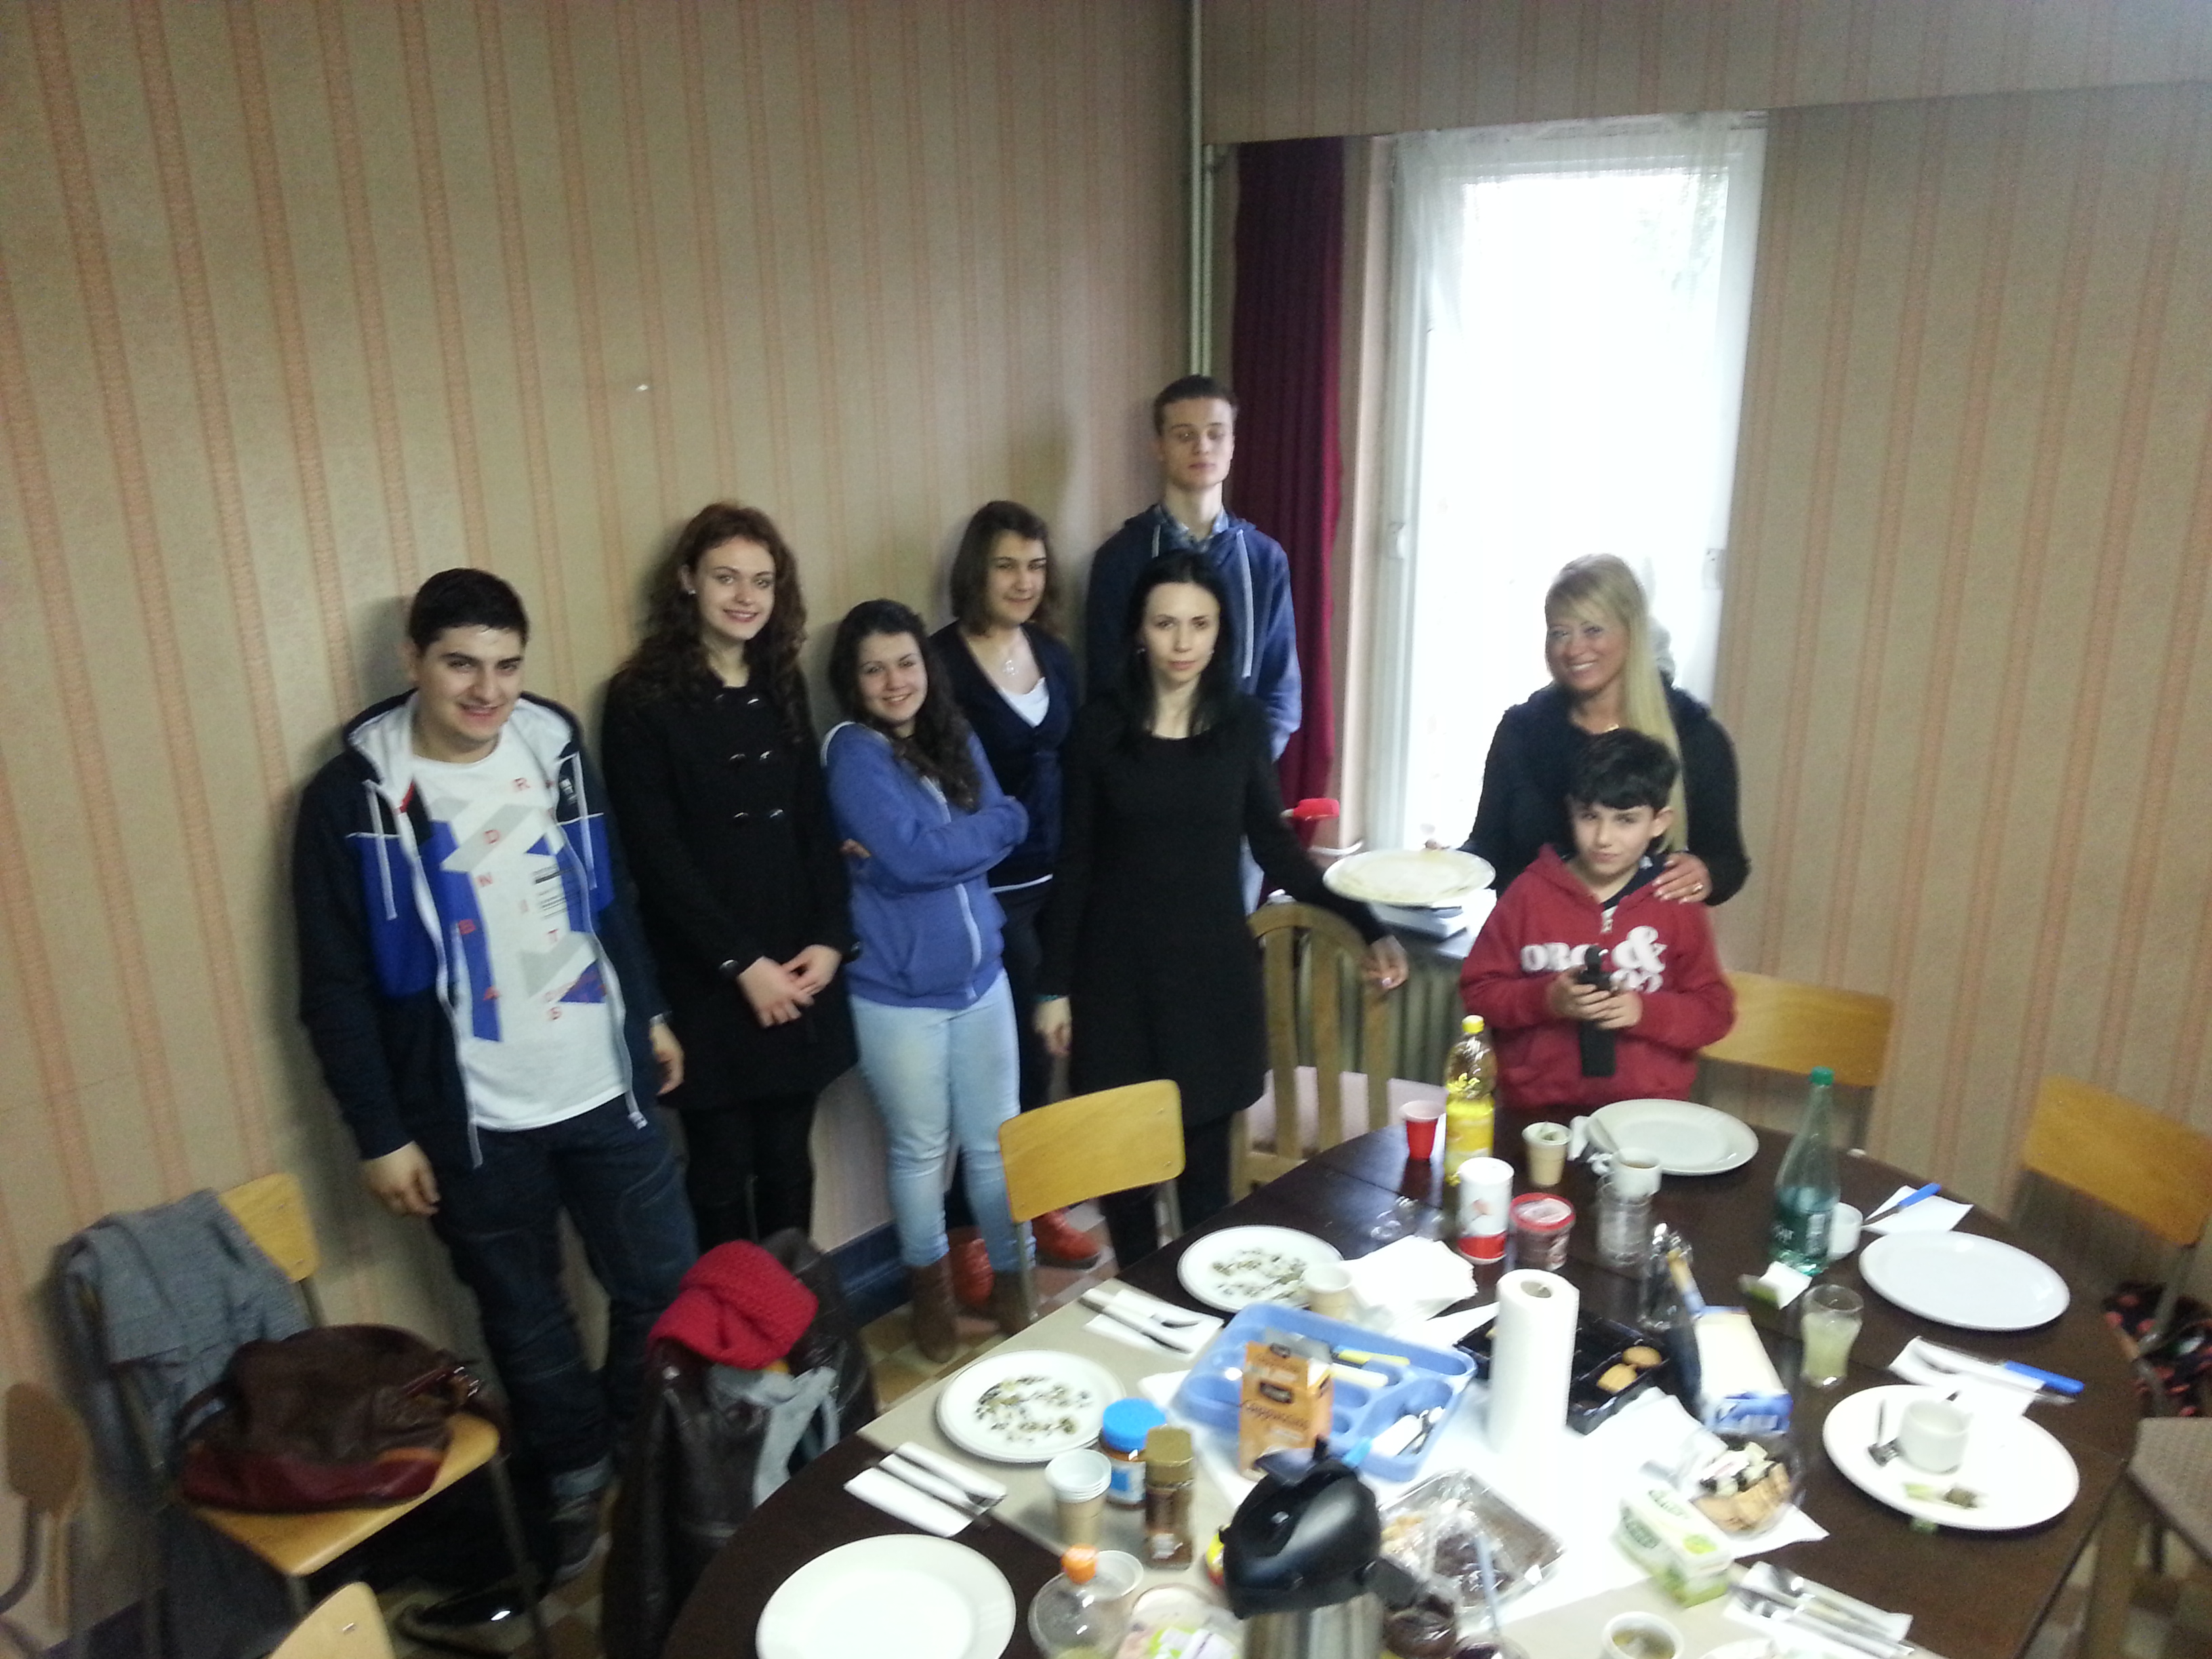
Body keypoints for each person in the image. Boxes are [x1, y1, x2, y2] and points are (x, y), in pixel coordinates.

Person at [292, 569, 696, 1586]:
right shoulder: (353, 796)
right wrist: (381, 1133)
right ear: (413, 662)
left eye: (507, 665)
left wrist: (647, 1011)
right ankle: (575, 1477)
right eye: (461, 665)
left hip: (601, 1083)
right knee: (523, 1314)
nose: (488, 691)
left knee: (659, 1281)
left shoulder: (554, 747)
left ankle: (634, 1445)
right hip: (470, 1114)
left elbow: (612, 896)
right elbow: (334, 984)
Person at [1040, 553, 1407, 1269]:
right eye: (1166, 624)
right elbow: (1075, 859)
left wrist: (1368, 926)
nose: (1183, 642)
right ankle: (1143, 1292)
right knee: (1127, 1183)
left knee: (1207, 1188)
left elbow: (1278, 848)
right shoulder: (1099, 726)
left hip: (1210, 981)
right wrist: (1053, 987)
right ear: (1139, 631)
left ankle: (1204, 1312)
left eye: (1200, 624)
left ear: (1220, 632)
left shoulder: (1240, 723)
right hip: (1117, 983)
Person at [602, 504, 857, 1250]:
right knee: (719, 1167)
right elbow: (655, 856)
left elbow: (815, 824)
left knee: (788, 1160)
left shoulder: (781, 682)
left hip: (796, 957)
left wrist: (831, 938)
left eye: (762, 581)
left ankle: (795, 1315)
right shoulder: (641, 698)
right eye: (726, 578)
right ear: (687, 581)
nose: (746, 597)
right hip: (707, 975)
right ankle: (734, 1324)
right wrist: (742, 965)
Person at [823, 600, 1031, 1360]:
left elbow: (1011, 822)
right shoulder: (853, 753)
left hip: (983, 979)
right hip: (898, 995)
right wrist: (955, 844)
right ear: (853, 682)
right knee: (921, 1152)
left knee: (998, 1144)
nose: (894, 681)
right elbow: (916, 858)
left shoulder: (950, 731)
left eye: (906, 662)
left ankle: (1015, 1285)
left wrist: (932, 850)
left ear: (926, 666)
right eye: (874, 669)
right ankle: (930, 1301)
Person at [928, 501, 1101, 1306]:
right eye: (1006, 565)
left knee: (1049, 1054)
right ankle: (967, 1230)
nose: (1024, 581)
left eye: (1035, 566)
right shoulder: (939, 662)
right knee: (999, 1066)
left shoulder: (1054, 656)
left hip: (1061, 880)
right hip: (985, 893)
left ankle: (1038, 1203)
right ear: (977, 571)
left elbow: (1079, 762)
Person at [1458, 730, 1736, 1112]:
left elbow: (1714, 1013)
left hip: (1648, 1114)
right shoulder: (1528, 894)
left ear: (1659, 822)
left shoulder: (1676, 902)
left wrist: (1644, 1012)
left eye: (1626, 820)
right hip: (1537, 1110)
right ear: (1571, 810)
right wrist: (1546, 1000)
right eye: (1590, 816)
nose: (1604, 838)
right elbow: (1479, 993)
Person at [1461, 554, 1749, 905]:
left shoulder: (1694, 737)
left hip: (1638, 939)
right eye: (1560, 633)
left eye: (1593, 630)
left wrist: (1705, 873)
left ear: (1633, 632)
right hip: (1527, 936)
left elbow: (1728, 863)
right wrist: (1446, 869)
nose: (1574, 649)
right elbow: (1487, 848)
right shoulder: (1521, 732)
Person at [1083, 375, 1302, 757]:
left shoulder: (1265, 560)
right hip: (1147, 769)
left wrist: (1242, 766)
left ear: (1233, 444)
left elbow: (1281, 691)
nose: (1202, 446)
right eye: (1184, 435)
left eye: (1216, 434)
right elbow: (1107, 684)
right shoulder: (1120, 558)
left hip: (1237, 771)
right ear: (1159, 447)